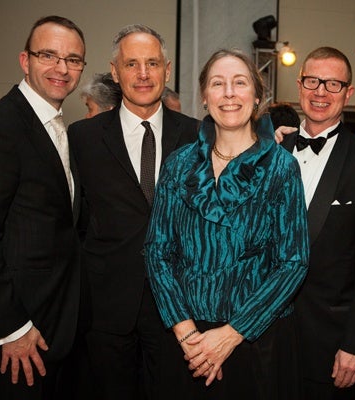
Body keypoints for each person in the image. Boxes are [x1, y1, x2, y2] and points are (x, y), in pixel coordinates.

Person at [144, 49, 309, 399]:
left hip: (256, 342)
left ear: (257, 95)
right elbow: (157, 251)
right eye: (218, 84)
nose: (229, 93)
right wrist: (187, 333)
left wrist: (232, 333)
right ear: (204, 96)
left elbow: (293, 261)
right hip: (186, 344)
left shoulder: (282, 168)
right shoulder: (178, 165)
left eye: (240, 83)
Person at [0, 15, 85, 399]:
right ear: (25, 60)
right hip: (17, 341)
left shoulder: (58, 128)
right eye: (49, 55)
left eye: (73, 59)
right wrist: (13, 329)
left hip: (55, 330)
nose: (62, 68)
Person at [68, 24, 198, 400]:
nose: (143, 74)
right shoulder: (83, 138)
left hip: (179, 308)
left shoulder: (199, 136)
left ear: (167, 70)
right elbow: (73, 221)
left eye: (152, 63)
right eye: (132, 64)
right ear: (115, 71)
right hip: (106, 312)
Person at [278, 47, 355, 399]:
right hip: (262, 335)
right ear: (299, 86)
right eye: (313, 81)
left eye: (332, 84)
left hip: (330, 343)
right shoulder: (268, 152)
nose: (320, 92)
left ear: (348, 93)